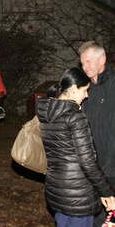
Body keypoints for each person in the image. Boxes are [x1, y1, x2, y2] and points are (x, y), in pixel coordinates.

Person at [36, 67, 115, 227]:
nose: (87, 95)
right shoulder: (75, 117)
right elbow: (87, 162)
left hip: (56, 190)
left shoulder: (47, 114)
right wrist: (106, 192)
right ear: (72, 90)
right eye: (85, 90)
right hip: (78, 195)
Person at [79, 40, 115, 227]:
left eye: (88, 62)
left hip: (111, 168)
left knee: (109, 218)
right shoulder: (84, 89)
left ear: (102, 59)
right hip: (89, 167)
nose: (84, 67)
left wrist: (108, 165)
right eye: (82, 63)